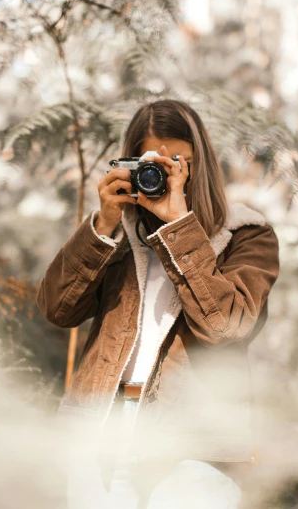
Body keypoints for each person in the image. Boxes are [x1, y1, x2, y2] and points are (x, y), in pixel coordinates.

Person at [37, 100, 280, 509]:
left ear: (198, 162)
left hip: (196, 447)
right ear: (130, 163)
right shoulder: (115, 235)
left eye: (177, 162)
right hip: (104, 437)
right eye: (152, 164)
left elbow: (226, 326)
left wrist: (179, 226)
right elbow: (57, 309)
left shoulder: (245, 236)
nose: (163, 175)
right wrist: (104, 224)